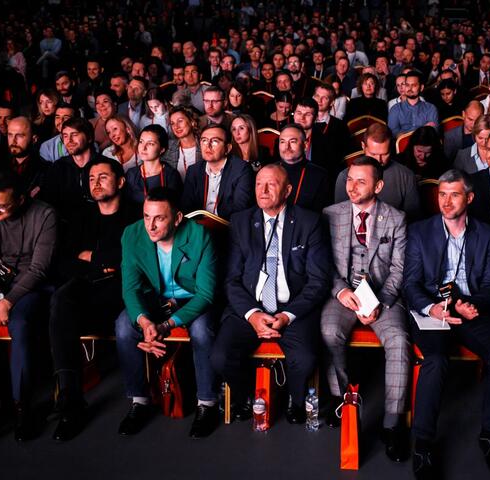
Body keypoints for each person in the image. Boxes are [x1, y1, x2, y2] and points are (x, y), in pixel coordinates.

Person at [403, 169, 490, 476]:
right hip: (433, 309)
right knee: (436, 360)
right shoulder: (419, 231)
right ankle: (423, 444)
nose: (446, 201)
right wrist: (432, 308)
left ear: (469, 198)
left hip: (470, 308)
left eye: (454, 195)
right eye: (442, 194)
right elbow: (410, 284)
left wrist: (471, 304)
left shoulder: (487, 234)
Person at [210, 164, 332, 425]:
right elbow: (231, 280)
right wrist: (253, 315)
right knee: (220, 357)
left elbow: (318, 281)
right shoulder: (241, 222)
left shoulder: (309, 222)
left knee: (305, 359)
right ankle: (248, 395)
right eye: (258, 184)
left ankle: (294, 399)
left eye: (271, 184)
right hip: (249, 307)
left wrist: (287, 316)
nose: (263, 190)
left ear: (287, 190)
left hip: (293, 308)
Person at [321, 156, 410, 462]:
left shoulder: (396, 218)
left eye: (361, 181)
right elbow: (323, 265)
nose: (352, 186)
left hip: (383, 295)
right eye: (349, 179)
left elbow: (398, 270)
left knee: (399, 340)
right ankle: (341, 398)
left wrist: (380, 303)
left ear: (378, 186)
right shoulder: (330, 215)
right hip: (344, 294)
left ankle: (392, 423)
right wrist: (341, 290)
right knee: (329, 330)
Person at [115, 187, 219, 438]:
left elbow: (206, 295)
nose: (150, 226)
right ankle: (139, 400)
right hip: (155, 300)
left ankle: (207, 403)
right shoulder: (132, 234)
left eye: (159, 218)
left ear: (177, 218)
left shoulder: (200, 236)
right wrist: (144, 322)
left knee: (202, 331)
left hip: (191, 299)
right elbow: (130, 288)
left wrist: (165, 325)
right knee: (123, 326)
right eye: (146, 216)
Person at [48, 157, 137, 441]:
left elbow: (134, 260)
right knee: (61, 300)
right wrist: (103, 264)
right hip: (88, 287)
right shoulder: (81, 216)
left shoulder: (136, 214)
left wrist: (93, 257)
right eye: (91, 178)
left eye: (103, 177)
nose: (95, 183)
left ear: (120, 182)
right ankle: (71, 401)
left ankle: (137, 400)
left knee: (66, 310)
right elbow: (63, 262)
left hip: (124, 292)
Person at [0, 169, 56, 441]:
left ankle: (22, 407)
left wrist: (8, 302)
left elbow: (39, 270)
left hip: (32, 287)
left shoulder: (44, 214)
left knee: (20, 323)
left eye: (1, 206)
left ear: (20, 200)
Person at [334, 124, 420, 218]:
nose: (379, 160)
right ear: (363, 146)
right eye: (373, 154)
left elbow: (412, 219)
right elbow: (340, 218)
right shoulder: (345, 177)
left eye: (384, 154)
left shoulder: (406, 176)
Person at [181, 123, 254, 219]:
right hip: (198, 224)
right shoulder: (194, 170)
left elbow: (240, 208)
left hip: (227, 224)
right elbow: (186, 207)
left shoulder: (242, 169)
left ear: (227, 148)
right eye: (204, 141)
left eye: (215, 141)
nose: (208, 146)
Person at [40, 117, 100, 223]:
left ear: (89, 137)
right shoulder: (57, 168)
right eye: (65, 136)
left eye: (74, 135)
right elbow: (49, 203)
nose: (69, 140)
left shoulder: (106, 166)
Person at [125, 125, 183, 208]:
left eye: (150, 144)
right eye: (141, 142)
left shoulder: (171, 175)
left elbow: (174, 207)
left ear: (162, 149)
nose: (143, 148)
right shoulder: (131, 174)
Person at [277, 123, 330, 212]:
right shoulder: (268, 172)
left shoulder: (320, 175)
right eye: (282, 142)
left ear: (305, 145)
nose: (287, 147)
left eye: (293, 141)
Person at [4, 117, 48, 198]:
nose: (13, 141)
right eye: (10, 135)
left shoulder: (45, 170)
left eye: (19, 136)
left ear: (34, 139)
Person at [388, 71, 439, 136]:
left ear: (421, 88)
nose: (410, 88)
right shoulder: (395, 109)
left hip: (424, 141)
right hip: (403, 142)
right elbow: (393, 132)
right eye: (407, 85)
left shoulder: (430, 109)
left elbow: (433, 132)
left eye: (414, 85)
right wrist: (423, 130)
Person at [162, 105, 201, 182]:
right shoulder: (168, 148)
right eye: (172, 123)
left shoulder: (204, 145)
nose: (176, 126)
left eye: (180, 121)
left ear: (192, 122)